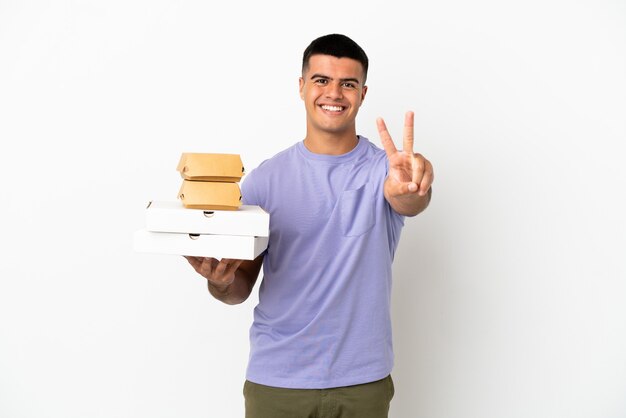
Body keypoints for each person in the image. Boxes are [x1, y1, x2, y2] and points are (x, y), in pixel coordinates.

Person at [184, 33, 433, 418]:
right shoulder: (264, 181)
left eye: (347, 84)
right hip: (277, 384)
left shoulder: (387, 169)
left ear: (362, 94)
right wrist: (219, 281)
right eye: (321, 80)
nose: (334, 93)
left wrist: (413, 186)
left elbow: (410, 199)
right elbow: (240, 286)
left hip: (362, 383)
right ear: (302, 87)